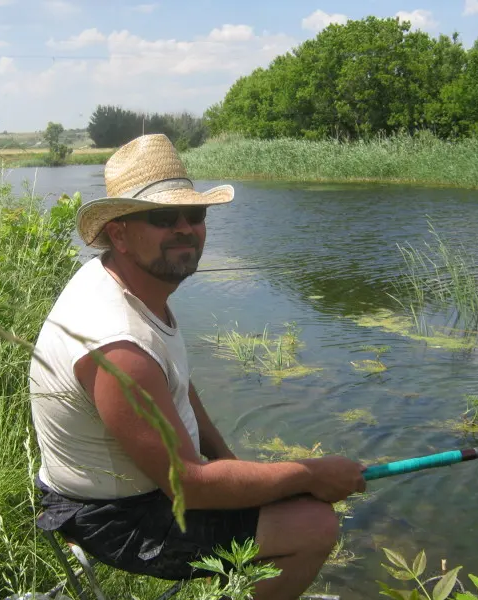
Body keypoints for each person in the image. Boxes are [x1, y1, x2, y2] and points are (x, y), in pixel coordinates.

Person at [28, 134, 366, 600]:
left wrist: (231, 464)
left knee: (275, 492)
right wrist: (310, 474)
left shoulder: (130, 280)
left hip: (149, 487)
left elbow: (180, 386)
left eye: (196, 215)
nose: (185, 228)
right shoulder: (119, 347)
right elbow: (189, 487)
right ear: (120, 233)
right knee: (313, 523)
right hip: (112, 515)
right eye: (164, 218)